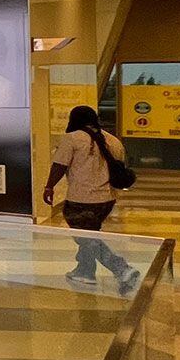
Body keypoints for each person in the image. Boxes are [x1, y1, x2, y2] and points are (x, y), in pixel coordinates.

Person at [45, 105, 140, 294]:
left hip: (82, 198)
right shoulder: (113, 140)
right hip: (107, 199)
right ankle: (85, 271)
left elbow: (59, 165)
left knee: (86, 237)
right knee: (90, 234)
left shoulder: (72, 138)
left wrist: (49, 186)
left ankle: (122, 269)